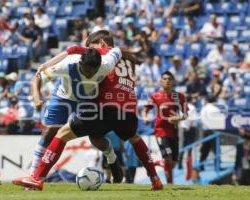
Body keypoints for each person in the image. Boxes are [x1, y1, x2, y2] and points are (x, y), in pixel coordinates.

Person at [13, 30, 163, 190]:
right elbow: (122, 53)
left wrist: (49, 62)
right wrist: (133, 53)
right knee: (132, 137)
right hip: (128, 110)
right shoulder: (121, 60)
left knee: (62, 135)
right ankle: (154, 179)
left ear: (102, 45)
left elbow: (76, 49)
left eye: (91, 47)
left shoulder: (103, 59)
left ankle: (37, 178)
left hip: (102, 107)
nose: (88, 50)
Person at [21, 46, 122, 177]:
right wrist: (36, 97)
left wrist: (132, 56)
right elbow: (37, 78)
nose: (90, 75)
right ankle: (33, 175)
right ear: (80, 63)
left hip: (87, 100)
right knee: (49, 131)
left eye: (93, 72)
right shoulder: (67, 64)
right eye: (87, 71)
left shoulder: (106, 64)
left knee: (95, 137)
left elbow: (118, 50)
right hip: (63, 97)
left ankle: (111, 157)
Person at [142, 71, 188, 184]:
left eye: (169, 79)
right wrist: (145, 118)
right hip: (161, 131)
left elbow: (186, 114)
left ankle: (155, 163)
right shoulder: (155, 96)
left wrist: (178, 118)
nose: (167, 81)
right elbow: (145, 110)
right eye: (165, 79)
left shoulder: (180, 96)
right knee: (168, 158)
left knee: (173, 163)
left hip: (174, 131)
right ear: (161, 81)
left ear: (173, 81)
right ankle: (170, 185)